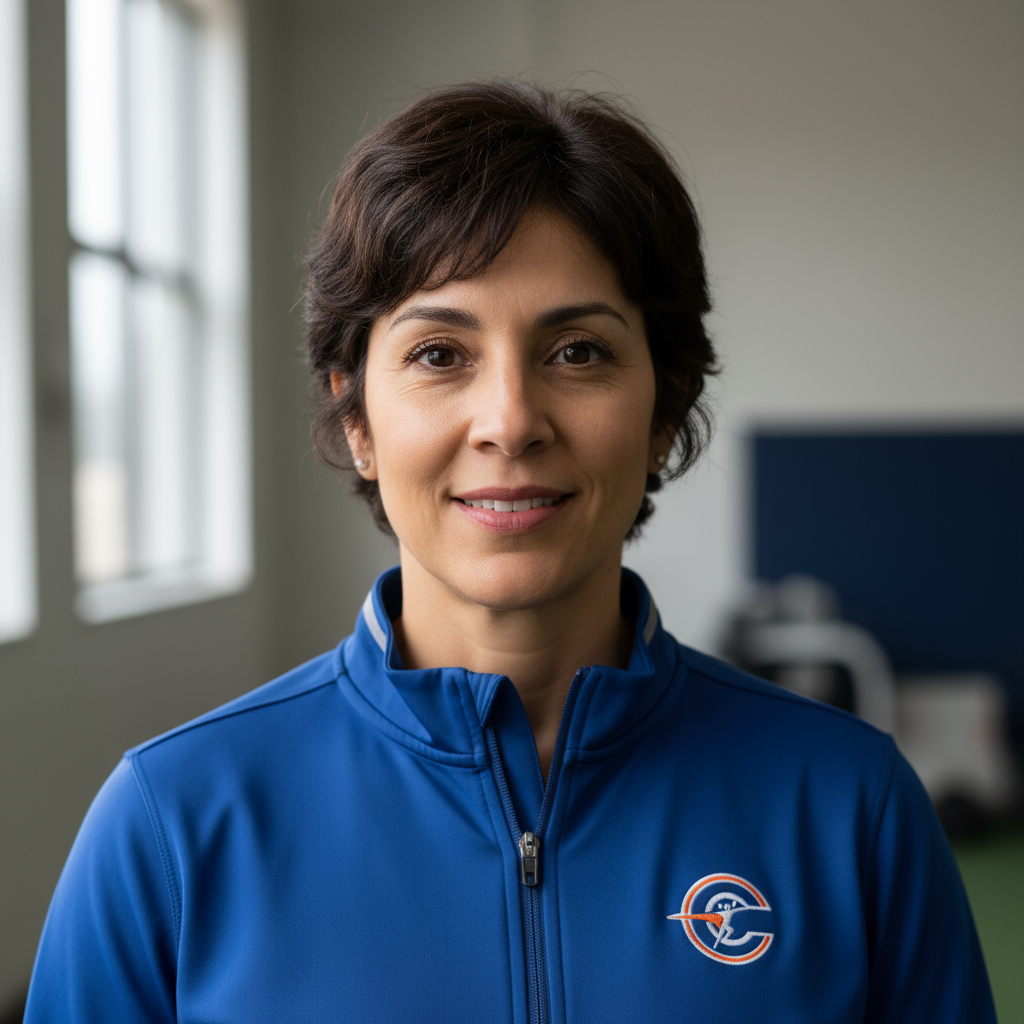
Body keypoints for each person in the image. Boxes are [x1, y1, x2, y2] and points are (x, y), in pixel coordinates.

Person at [25, 81, 993, 1023]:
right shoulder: (173, 819)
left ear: (663, 410)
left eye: (576, 351)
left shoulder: (847, 803)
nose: (510, 420)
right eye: (439, 354)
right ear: (356, 416)